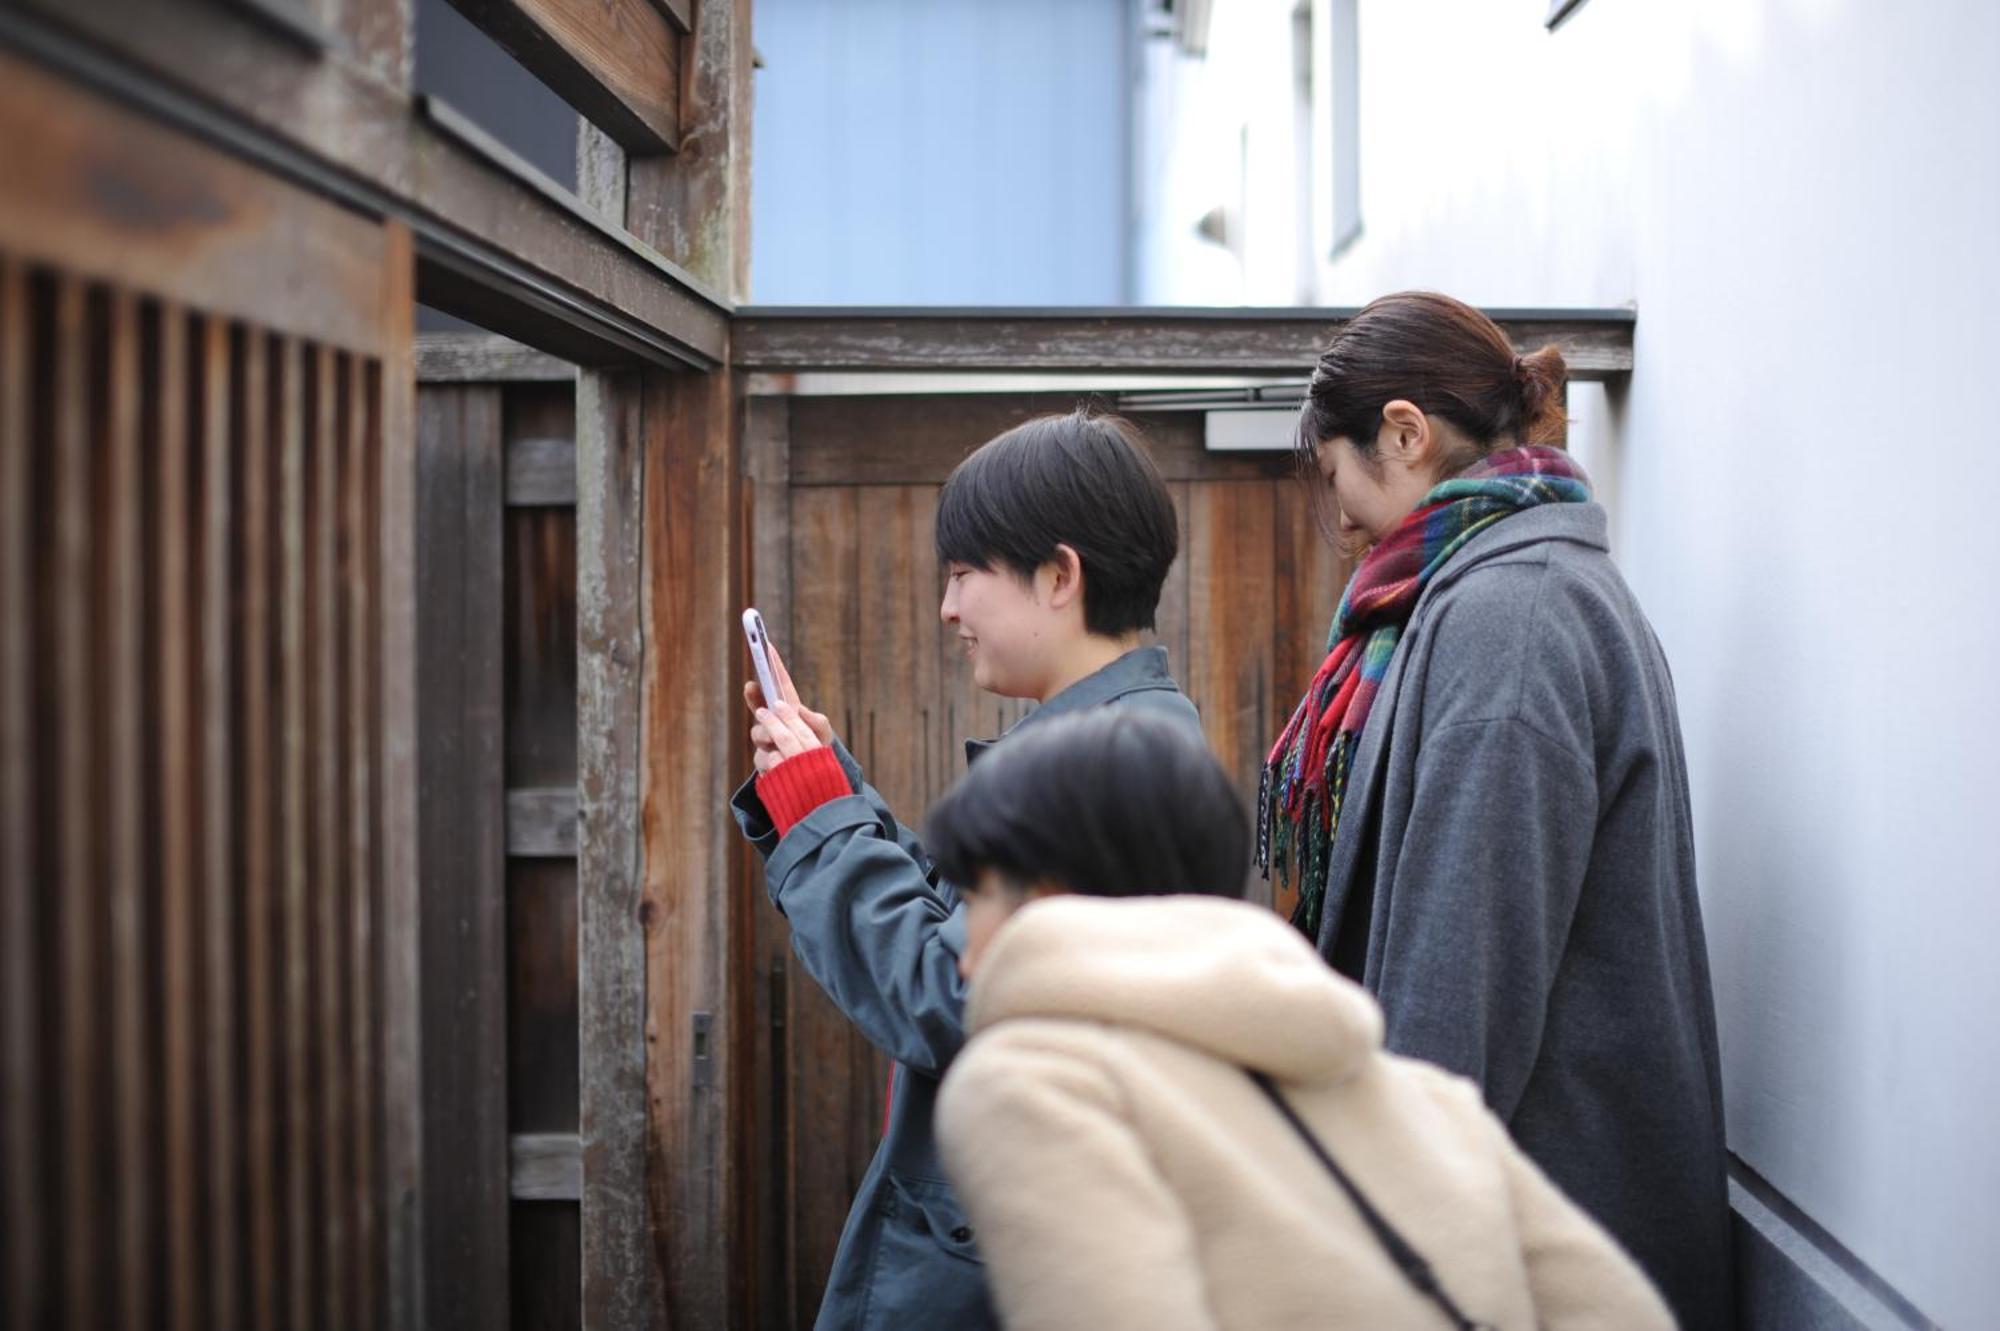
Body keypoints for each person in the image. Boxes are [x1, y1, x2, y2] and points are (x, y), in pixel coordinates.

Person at [1257, 290, 1730, 1328]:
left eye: (1337, 478)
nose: (1337, 520)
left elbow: (1458, 978)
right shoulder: (1508, 589)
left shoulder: (1508, 619)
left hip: (1539, 1247)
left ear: (1404, 433)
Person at [930, 707, 1675, 1331]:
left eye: (976, 899)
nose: (964, 954)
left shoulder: (1033, 1085)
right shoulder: (1430, 1103)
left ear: (1052, 896)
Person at [731, 408, 1203, 1329]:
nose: (948, 609)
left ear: (1059, 575)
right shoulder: (1108, 739)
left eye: (962, 575)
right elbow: (962, 921)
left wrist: (824, 822)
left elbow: (947, 990)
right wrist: (832, 791)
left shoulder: (1102, 761)